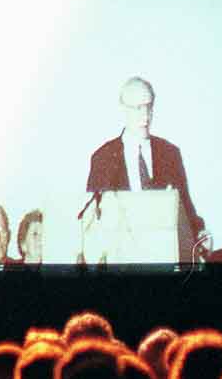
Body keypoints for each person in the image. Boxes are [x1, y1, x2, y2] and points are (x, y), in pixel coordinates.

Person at [83, 77, 209, 257]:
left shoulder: (170, 154)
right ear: (123, 109)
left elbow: (186, 208)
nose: (146, 115)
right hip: (121, 260)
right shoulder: (103, 158)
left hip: (163, 257)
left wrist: (201, 235)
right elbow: (93, 222)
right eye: (138, 108)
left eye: (149, 106)